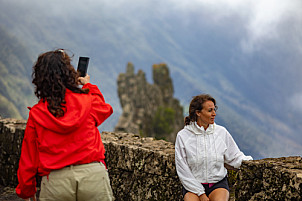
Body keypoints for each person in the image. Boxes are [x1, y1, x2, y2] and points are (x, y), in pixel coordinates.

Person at [16, 49, 114, 201]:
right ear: (70, 74)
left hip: (56, 182)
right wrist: (89, 85)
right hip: (93, 176)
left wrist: (26, 190)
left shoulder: (37, 114)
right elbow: (105, 109)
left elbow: (28, 158)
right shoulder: (88, 101)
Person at [175, 94, 253, 201]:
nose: (214, 114)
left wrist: (250, 162)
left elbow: (235, 156)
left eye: (214, 109)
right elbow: (182, 169)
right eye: (210, 110)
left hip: (217, 184)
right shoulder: (183, 136)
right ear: (198, 113)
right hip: (193, 186)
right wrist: (201, 194)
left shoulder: (222, 132)